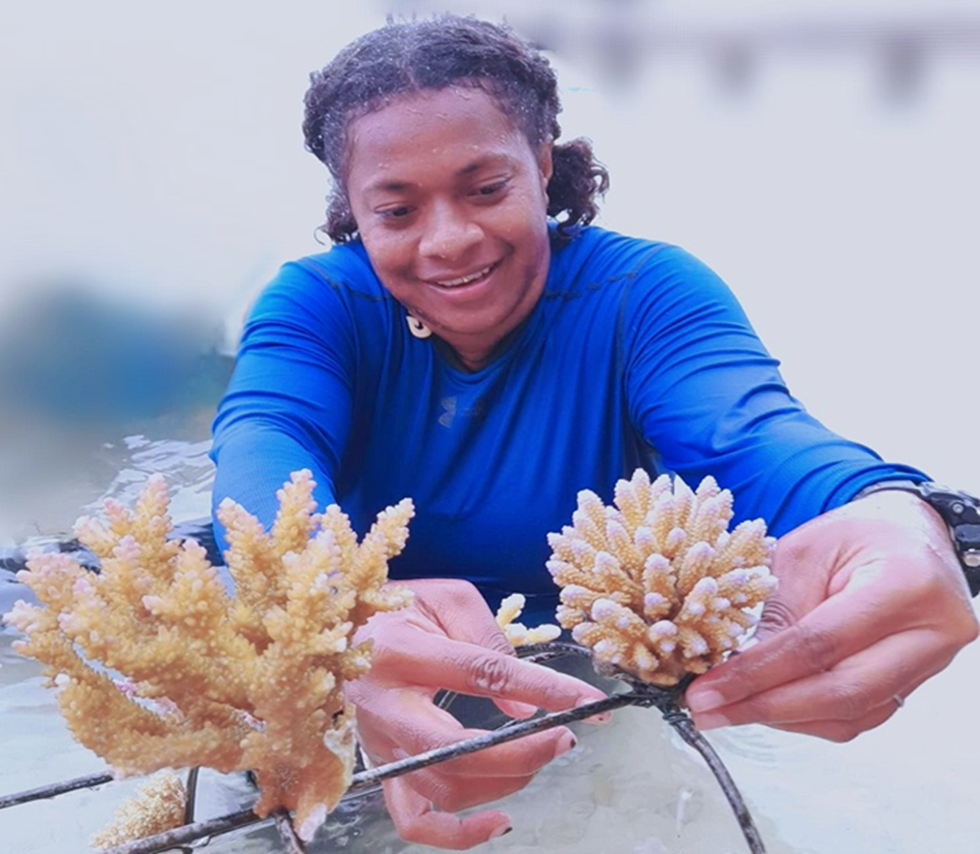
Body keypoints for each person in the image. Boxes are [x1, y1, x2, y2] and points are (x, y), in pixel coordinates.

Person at [210, 14, 978, 849]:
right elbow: (263, 444)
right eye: (397, 210)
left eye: (486, 188)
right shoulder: (316, 304)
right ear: (354, 212)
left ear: (541, 162)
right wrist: (330, 611)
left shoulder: (645, 294)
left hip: (563, 652)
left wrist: (908, 513)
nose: (450, 238)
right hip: (361, 659)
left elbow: (752, 434)